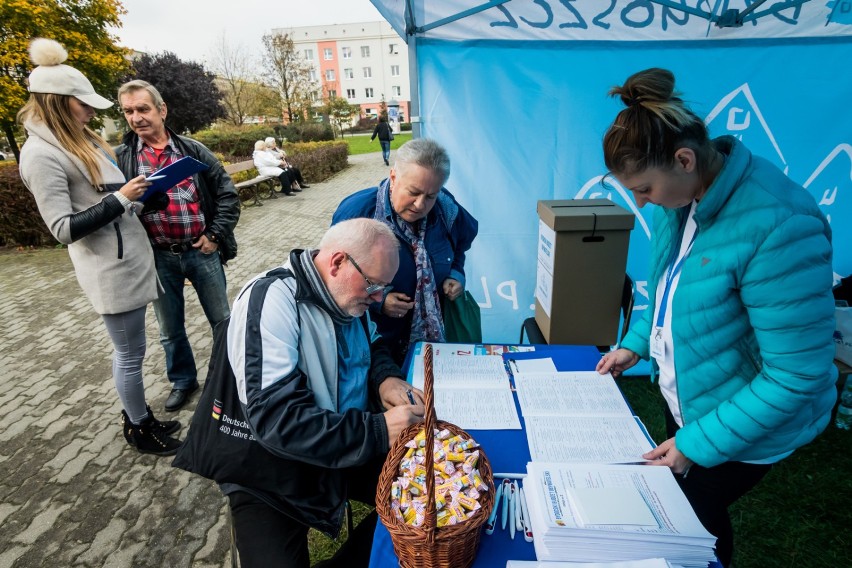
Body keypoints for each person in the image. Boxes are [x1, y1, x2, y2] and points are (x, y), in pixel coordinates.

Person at [595, 68, 837, 567]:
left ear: (684, 159)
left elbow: (797, 375)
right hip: (696, 404)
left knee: (689, 514)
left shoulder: (778, 223)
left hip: (743, 424)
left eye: (643, 188)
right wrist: (636, 342)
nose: (640, 202)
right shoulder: (683, 196)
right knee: (691, 515)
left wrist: (697, 443)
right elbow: (670, 292)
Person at [221, 218, 425, 567]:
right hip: (271, 474)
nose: (378, 298)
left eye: (383, 287)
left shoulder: (347, 293)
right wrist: (378, 430)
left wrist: (385, 378)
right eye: (374, 285)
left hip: (341, 442)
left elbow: (372, 345)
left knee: (430, 492)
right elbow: (277, 421)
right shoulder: (272, 298)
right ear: (337, 262)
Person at [18, 38, 181, 455]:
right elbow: (62, 228)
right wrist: (124, 198)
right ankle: (138, 427)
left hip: (127, 261)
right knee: (129, 354)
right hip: (109, 269)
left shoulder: (80, 140)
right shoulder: (41, 154)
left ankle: (139, 413)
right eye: (83, 104)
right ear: (57, 102)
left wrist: (148, 197)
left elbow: (106, 199)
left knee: (135, 349)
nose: (92, 112)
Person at [115, 80, 241, 412]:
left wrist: (214, 236)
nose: (136, 117)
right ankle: (183, 381)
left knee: (222, 320)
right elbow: (112, 207)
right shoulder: (123, 158)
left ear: (161, 110)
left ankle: (228, 378)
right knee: (169, 329)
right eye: (128, 111)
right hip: (157, 256)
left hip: (201, 251)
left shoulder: (192, 150)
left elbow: (228, 195)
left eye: (143, 108)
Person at [332, 138, 478, 364]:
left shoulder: (446, 209)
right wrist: (379, 300)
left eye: (430, 196)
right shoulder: (359, 212)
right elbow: (336, 278)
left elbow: (460, 246)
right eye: (413, 192)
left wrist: (455, 274)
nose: (420, 205)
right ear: (393, 177)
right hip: (378, 346)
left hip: (433, 345)